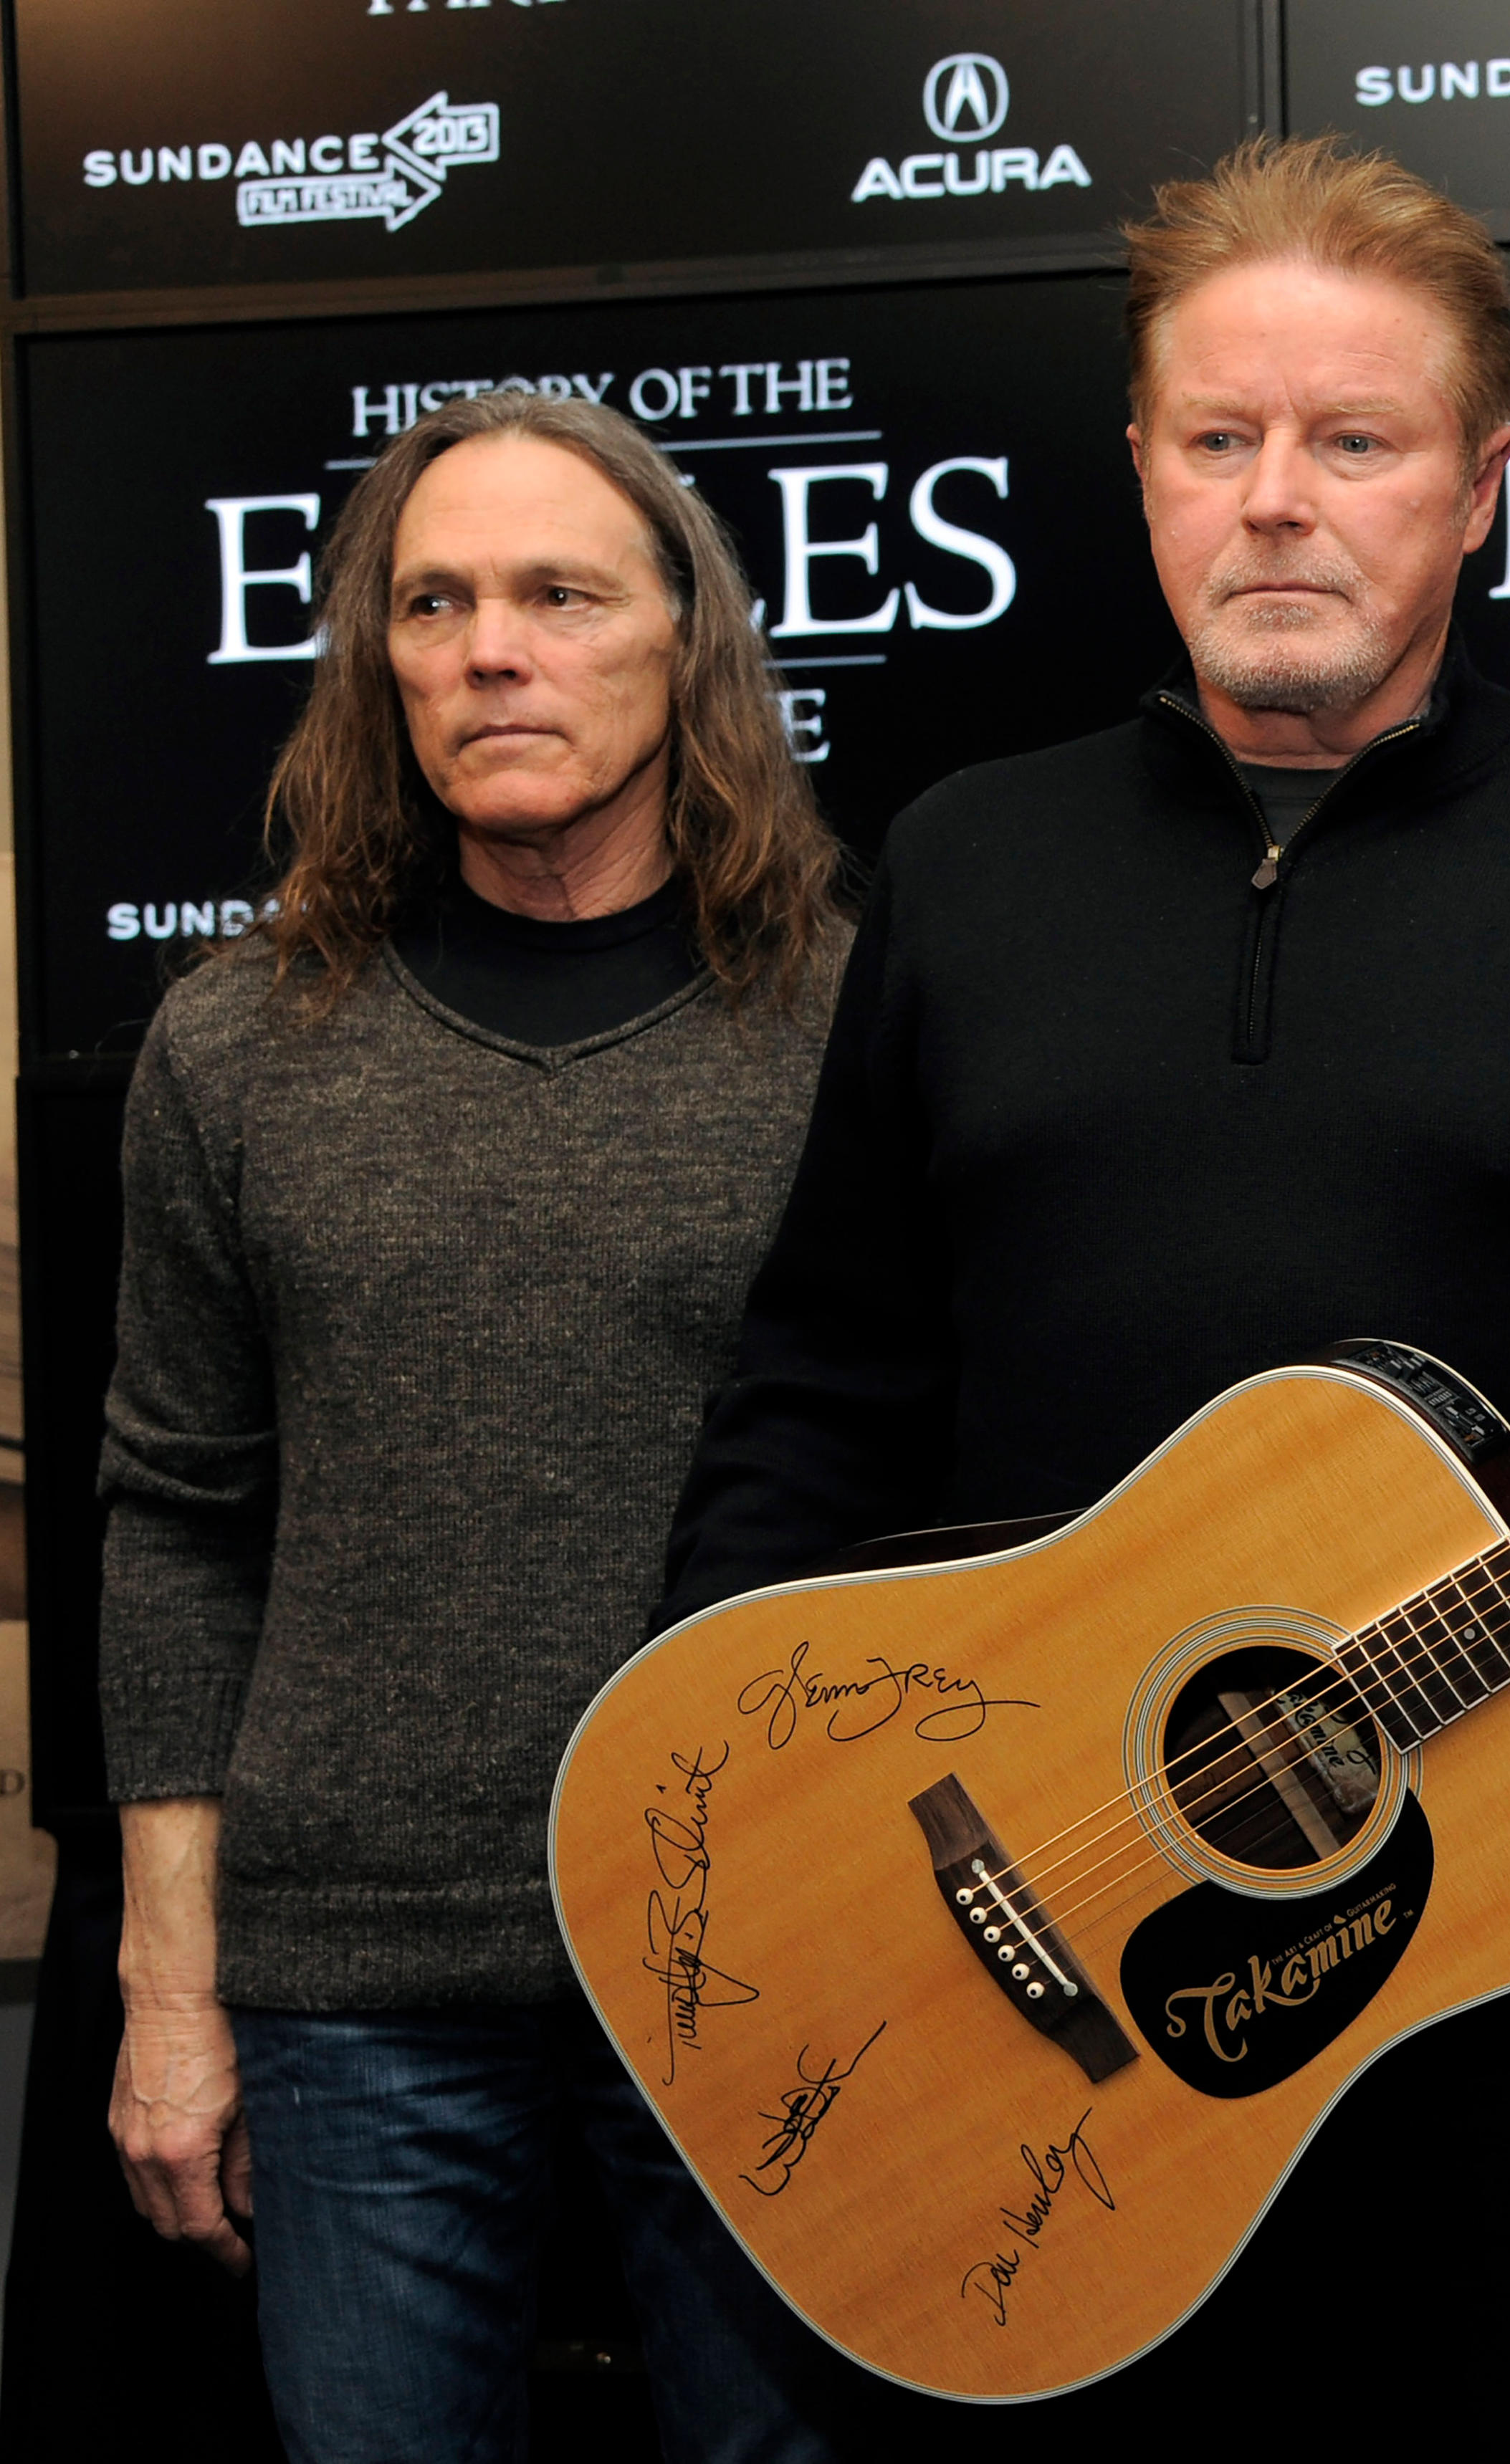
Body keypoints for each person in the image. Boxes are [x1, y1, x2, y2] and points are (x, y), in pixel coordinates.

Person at [655, 137, 1510, 2444]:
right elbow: (825, 1368)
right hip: (1001, 1944)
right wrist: (734, 1816)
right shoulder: (962, 859)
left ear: (1483, 483)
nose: (1279, 502)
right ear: (1140, 474)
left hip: (1477, 1954)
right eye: (1221, 441)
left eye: (1355, 442)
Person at [97, 390, 861, 2460]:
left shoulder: (852, 1026)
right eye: (431, 601)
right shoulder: (241, 1041)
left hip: (777, 1957)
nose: (487, 648)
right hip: (361, 1980)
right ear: (380, 662)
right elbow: (174, 1522)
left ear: (684, 641)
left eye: (555, 592)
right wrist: (174, 1998)